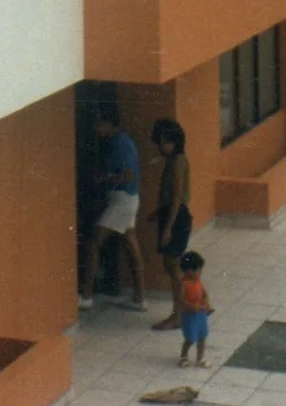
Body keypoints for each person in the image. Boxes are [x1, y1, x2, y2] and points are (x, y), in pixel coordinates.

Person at [78, 114, 148, 312]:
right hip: (128, 199)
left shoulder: (120, 144)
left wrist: (104, 178)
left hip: (121, 200)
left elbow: (127, 175)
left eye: (101, 125)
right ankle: (139, 298)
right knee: (131, 246)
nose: (97, 129)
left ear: (112, 124)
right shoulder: (120, 142)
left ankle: (86, 295)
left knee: (94, 242)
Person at [149, 117, 192, 331]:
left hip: (176, 218)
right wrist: (158, 212)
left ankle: (179, 314)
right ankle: (187, 307)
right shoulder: (174, 161)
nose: (161, 146)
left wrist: (167, 227)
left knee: (173, 266)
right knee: (172, 265)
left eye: (164, 142)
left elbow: (177, 197)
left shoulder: (177, 162)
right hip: (171, 214)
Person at [177, 250, 213, 367]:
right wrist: (191, 306)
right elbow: (181, 299)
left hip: (200, 313)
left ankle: (200, 358)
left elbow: (205, 294)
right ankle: (183, 356)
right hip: (189, 315)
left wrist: (205, 303)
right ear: (189, 271)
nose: (200, 272)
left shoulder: (198, 281)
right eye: (198, 270)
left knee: (202, 336)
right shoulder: (184, 283)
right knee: (190, 338)